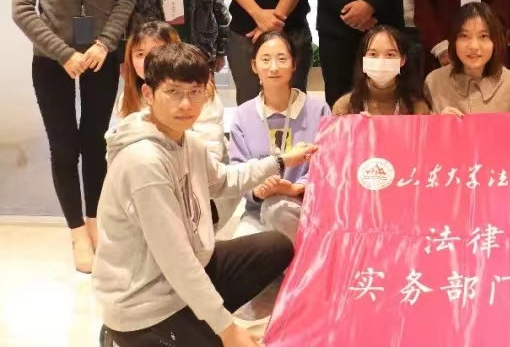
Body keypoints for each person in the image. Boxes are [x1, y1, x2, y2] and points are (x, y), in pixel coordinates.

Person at [93, 43, 318, 347]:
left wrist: (281, 161)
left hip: (184, 277)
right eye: (173, 92)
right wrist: (228, 330)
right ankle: (131, 337)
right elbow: (177, 260)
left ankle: (199, 322)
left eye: (195, 92)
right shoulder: (143, 163)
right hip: (145, 302)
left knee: (275, 246)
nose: (186, 104)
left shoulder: (188, 142)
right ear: (148, 94)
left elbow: (224, 180)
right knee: (228, 339)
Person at [12, 0, 135, 273]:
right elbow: (22, 10)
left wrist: (104, 43)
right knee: (64, 147)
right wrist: (64, 52)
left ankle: (96, 224)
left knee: (94, 142)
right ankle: (77, 233)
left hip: (100, 56)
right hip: (53, 62)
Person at [113, 21, 233, 229]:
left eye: (156, 51)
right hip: (152, 183)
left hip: (200, 184)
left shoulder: (201, 92)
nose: (147, 60)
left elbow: (210, 153)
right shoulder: (128, 97)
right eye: (139, 54)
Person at [228, 31, 331, 242]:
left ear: (294, 64)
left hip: (307, 209)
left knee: (279, 211)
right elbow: (237, 168)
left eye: (282, 59)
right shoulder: (243, 114)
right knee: (241, 251)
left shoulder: (318, 110)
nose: (273, 67)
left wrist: (296, 188)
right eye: (265, 59)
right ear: (254, 65)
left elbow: (327, 164)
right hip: (256, 212)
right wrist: (257, 190)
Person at [424, 2, 510, 114]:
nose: (474, 46)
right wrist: (439, 123)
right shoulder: (434, 82)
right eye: (464, 36)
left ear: (495, 41)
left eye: (483, 36)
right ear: (453, 41)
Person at [331, 25, 431, 116]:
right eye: (373, 54)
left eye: (390, 55)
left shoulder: (417, 107)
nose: (381, 61)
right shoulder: (345, 106)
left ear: (402, 60)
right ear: (363, 59)